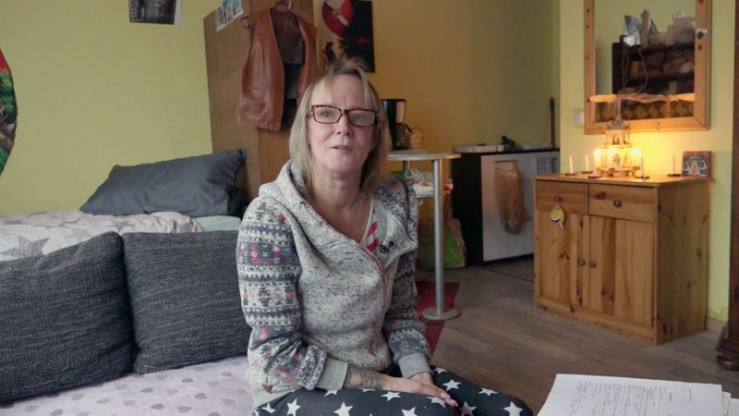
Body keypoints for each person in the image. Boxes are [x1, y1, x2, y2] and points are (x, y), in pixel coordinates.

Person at [236, 60, 533, 416]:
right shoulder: (270, 219)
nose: (343, 127)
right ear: (305, 128)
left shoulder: (397, 203)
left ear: (375, 134)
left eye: (359, 116)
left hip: (383, 368)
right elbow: (277, 356)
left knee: (513, 411)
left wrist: (420, 376)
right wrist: (395, 386)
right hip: (296, 388)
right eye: (326, 113)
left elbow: (402, 313)